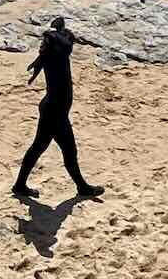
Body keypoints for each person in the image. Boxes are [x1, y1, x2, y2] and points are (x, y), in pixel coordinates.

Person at [12, 18, 104, 201]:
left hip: (52, 109)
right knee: (69, 151)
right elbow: (66, 42)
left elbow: (60, 43)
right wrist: (57, 32)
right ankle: (83, 187)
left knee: (39, 147)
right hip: (56, 113)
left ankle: (20, 185)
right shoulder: (58, 55)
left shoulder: (50, 55)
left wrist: (57, 29)